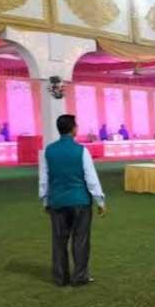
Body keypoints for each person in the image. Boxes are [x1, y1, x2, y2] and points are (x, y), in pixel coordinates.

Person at [39, 114, 106, 287]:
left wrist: (45, 200)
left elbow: (44, 179)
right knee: (80, 240)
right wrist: (99, 200)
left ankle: (61, 277)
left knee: (59, 241)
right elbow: (91, 178)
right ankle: (80, 276)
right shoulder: (81, 151)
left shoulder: (48, 151)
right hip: (80, 201)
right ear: (73, 129)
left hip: (57, 202)